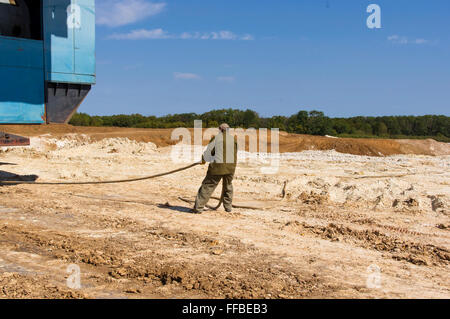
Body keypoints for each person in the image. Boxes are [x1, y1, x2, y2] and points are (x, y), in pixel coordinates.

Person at [192, 123, 238, 214]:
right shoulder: (233, 140)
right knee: (228, 186)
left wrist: (203, 160)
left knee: (208, 186)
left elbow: (209, 152)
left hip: (217, 167)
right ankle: (228, 208)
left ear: (220, 129)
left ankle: (198, 208)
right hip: (231, 167)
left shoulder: (216, 138)